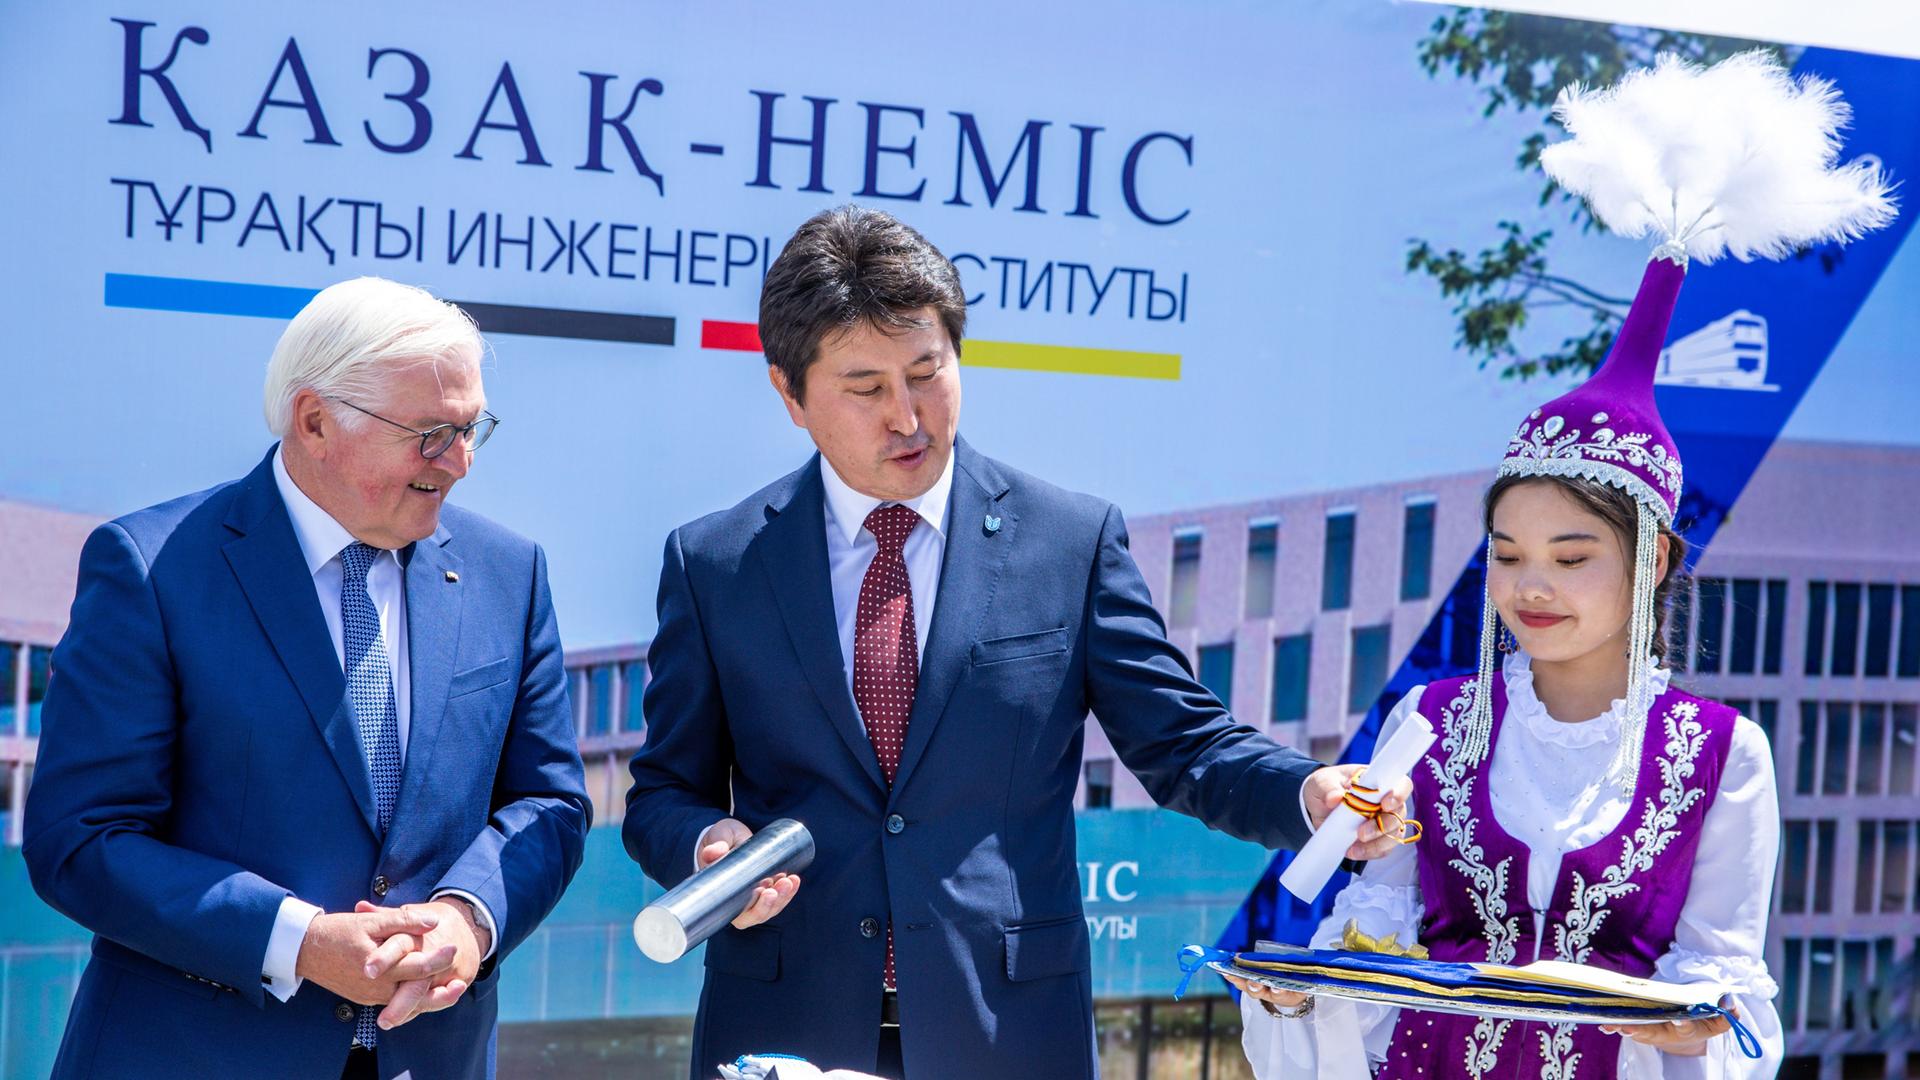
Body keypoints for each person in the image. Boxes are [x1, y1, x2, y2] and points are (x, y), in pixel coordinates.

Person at [1228, 49, 1898, 1079]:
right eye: (1507, 555)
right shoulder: (1434, 725)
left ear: (1655, 558)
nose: (1530, 586)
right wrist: (1305, 994)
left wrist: (1694, 1027)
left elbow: (1737, 994)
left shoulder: (1725, 757)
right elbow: (1374, 932)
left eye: (1571, 556)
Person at [624, 205, 1409, 1080]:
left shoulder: (1066, 543)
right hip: (780, 1025)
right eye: (865, 387)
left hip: (1007, 1034)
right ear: (789, 392)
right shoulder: (719, 563)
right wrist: (708, 851)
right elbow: (664, 790)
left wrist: (1307, 792)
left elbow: (1182, 743)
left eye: (928, 372)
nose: (907, 416)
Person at [24, 277, 592, 1079]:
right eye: (431, 434)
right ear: (316, 421)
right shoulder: (153, 571)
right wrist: (296, 939)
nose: (460, 464)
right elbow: (80, 839)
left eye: (471, 430)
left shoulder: (510, 573)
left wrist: (468, 919)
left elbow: (549, 803)